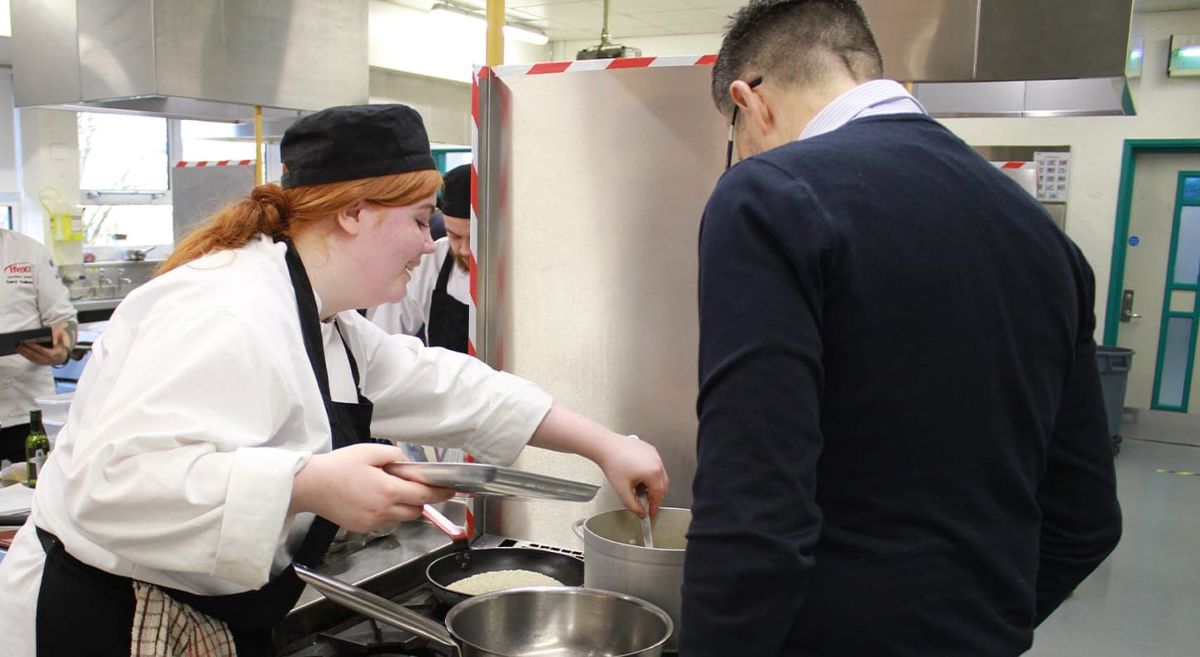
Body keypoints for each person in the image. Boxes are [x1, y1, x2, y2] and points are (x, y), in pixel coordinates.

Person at [0, 104, 667, 657]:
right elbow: (111, 488)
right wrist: (308, 484)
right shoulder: (224, 310)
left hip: (207, 611)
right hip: (104, 622)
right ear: (352, 212)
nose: (431, 241)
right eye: (417, 218)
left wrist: (605, 444)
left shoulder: (321, 320)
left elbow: (448, 385)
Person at [683, 2, 1122, 656]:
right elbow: (1085, 518)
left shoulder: (768, 197)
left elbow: (755, 518)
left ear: (751, 101)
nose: (739, 155)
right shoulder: (1045, 241)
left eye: (733, 135)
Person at [368, 163, 473, 353]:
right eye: (454, 236)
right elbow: (382, 337)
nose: (465, 250)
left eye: (475, 240)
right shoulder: (429, 261)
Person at [0, 228, 77, 462]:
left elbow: (62, 318)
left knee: (29, 489)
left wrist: (59, 351)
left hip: (24, 410)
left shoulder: (29, 252)